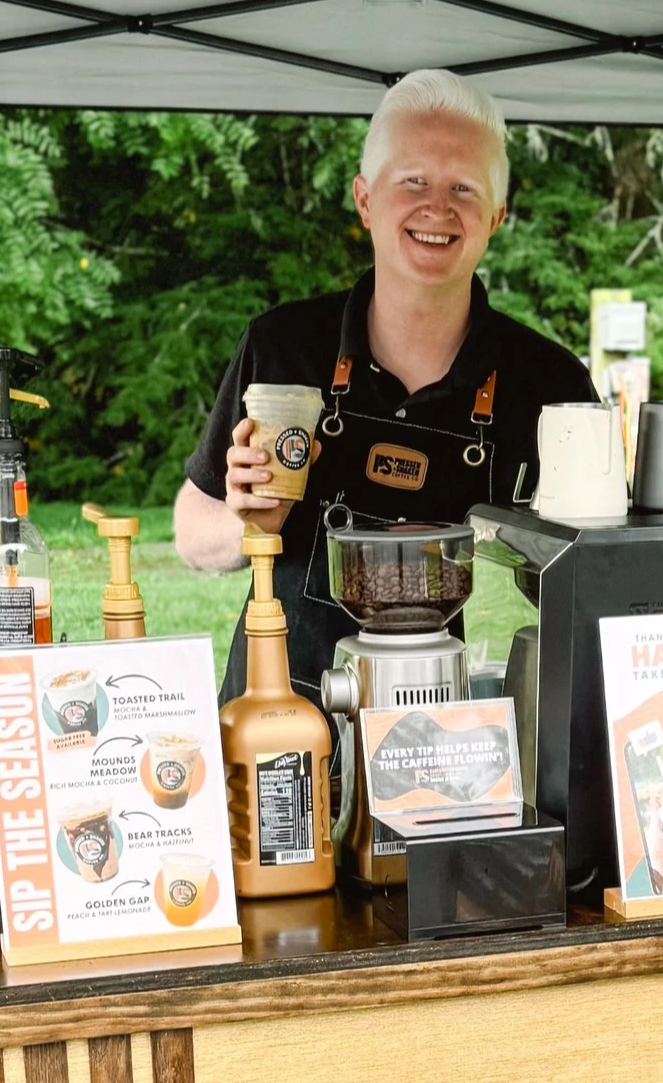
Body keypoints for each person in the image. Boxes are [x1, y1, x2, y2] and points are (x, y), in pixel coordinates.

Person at [175, 68, 597, 698]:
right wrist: (250, 523)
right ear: (365, 198)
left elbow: (593, 584)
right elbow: (191, 531)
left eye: (464, 188)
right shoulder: (284, 347)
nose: (438, 208)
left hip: (460, 732)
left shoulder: (549, 384)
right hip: (280, 716)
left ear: (497, 216)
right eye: (414, 182)